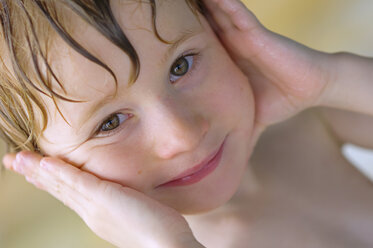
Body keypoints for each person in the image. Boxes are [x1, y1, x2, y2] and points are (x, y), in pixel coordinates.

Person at [1, 0, 373, 247]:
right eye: (111, 122)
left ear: (218, 29)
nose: (182, 135)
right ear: (39, 164)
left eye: (182, 65)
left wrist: (330, 79)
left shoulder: (303, 125)